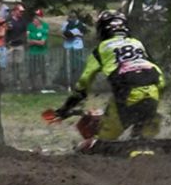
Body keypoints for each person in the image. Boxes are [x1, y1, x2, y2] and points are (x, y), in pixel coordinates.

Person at [53, 10, 165, 141]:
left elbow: (84, 82)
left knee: (104, 138)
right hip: (153, 90)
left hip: (126, 92)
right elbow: (155, 70)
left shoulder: (101, 48)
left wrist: (65, 108)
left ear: (102, 30)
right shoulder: (137, 43)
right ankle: (144, 134)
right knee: (146, 129)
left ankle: (106, 142)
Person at [4, 3, 29, 89]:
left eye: (22, 12)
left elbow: (25, 32)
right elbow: (4, 31)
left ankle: (19, 81)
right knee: (9, 64)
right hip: (10, 45)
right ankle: (9, 82)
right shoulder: (9, 20)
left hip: (19, 45)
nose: (21, 13)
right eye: (20, 11)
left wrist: (24, 39)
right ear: (15, 11)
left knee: (19, 64)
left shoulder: (23, 21)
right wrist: (7, 30)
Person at [27, 9, 49, 90]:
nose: (34, 20)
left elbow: (42, 42)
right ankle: (32, 86)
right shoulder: (30, 26)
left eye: (38, 17)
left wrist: (33, 41)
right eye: (34, 18)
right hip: (32, 52)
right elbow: (28, 41)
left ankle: (44, 86)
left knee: (43, 70)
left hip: (42, 52)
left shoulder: (45, 26)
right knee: (32, 70)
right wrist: (36, 41)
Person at [62, 13, 87, 86]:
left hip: (77, 46)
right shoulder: (65, 24)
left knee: (78, 64)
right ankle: (68, 83)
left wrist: (76, 34)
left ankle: (79, 81)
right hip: (68, 46)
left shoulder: (81, 25)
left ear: (76, 18)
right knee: (68, 65)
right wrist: (68, 35)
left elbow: (83, 34)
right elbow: (63, 34)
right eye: (70, 17)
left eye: (73, 17)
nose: (71, 19)